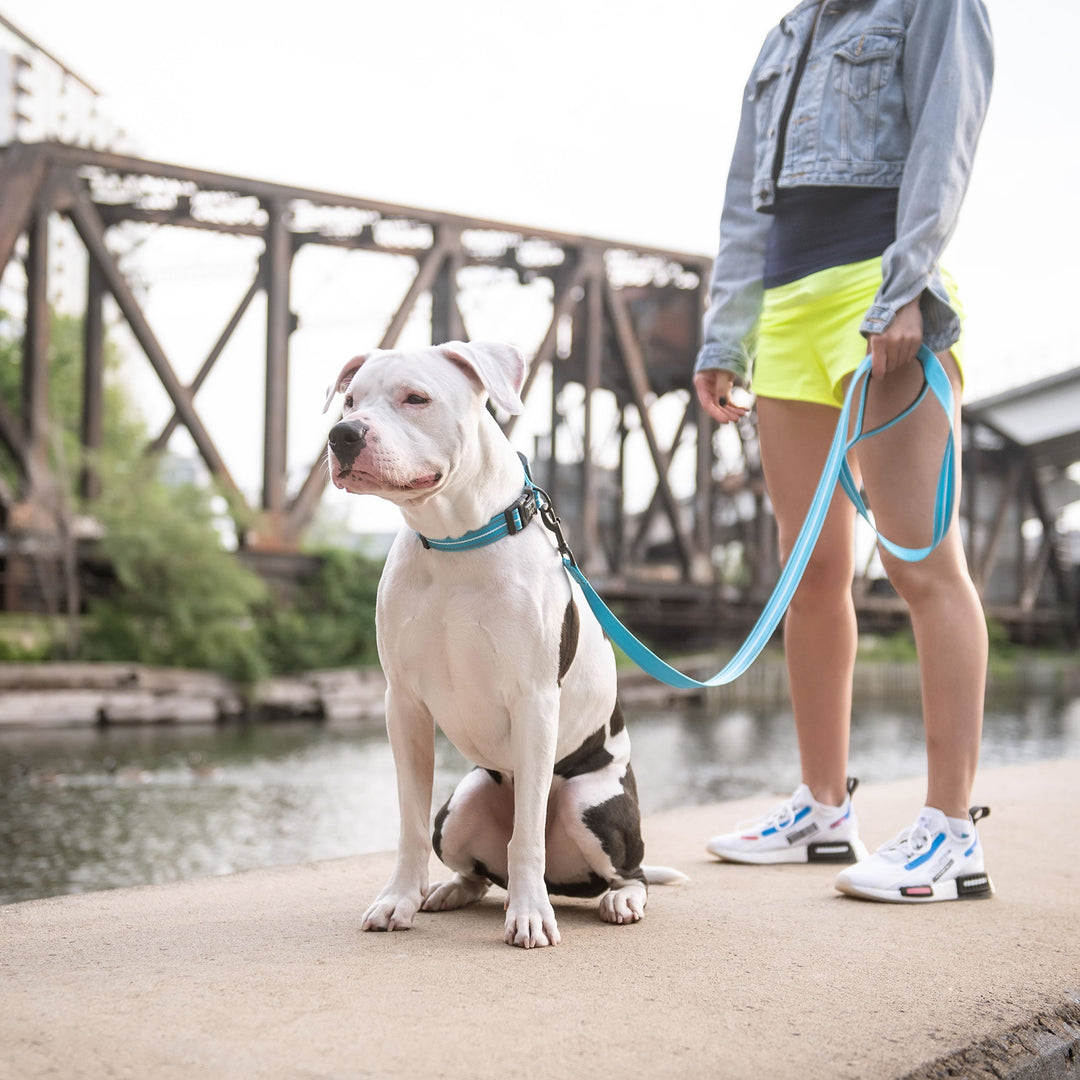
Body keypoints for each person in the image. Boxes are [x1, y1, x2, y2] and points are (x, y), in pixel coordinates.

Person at [693, 0, 995, 902]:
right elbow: (747, 204)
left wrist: (906, 291)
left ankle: (951, 834)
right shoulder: (785, 35)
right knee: (809, 571)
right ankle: (824, 812)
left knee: (921, 564)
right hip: (784, 313)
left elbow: (946, 143)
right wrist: (725, 337)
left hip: (879, 298)